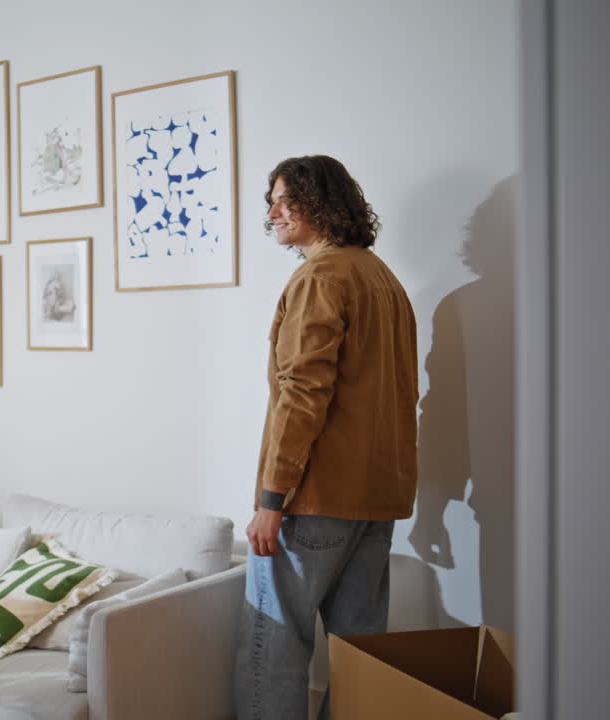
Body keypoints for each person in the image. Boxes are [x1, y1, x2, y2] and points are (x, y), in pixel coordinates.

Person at [236, 156, 418, 720]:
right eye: (272, 200)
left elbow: (302, 392)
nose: (274, 212)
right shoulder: (382, 278)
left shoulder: (320, 278)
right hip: (376, 498)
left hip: (313, 498)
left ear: (323, 202)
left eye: (286, 199)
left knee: (275, 643)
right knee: (360, 652)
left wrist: (272, 499)